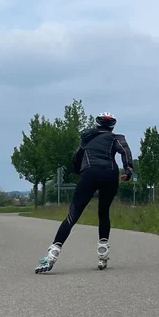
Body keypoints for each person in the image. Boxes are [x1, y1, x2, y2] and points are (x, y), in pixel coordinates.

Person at [35, 113, 134, 273]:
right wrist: (128, 170)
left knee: (72, 216)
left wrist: (79, 172)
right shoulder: (116, 138)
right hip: (110, 174)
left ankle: (52, 255)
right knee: (103, 212)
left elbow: (75, 158)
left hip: (90, 173)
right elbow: (125, 151)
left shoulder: (87, 138)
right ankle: (103, 254)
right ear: (112, 127)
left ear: (97, 124)